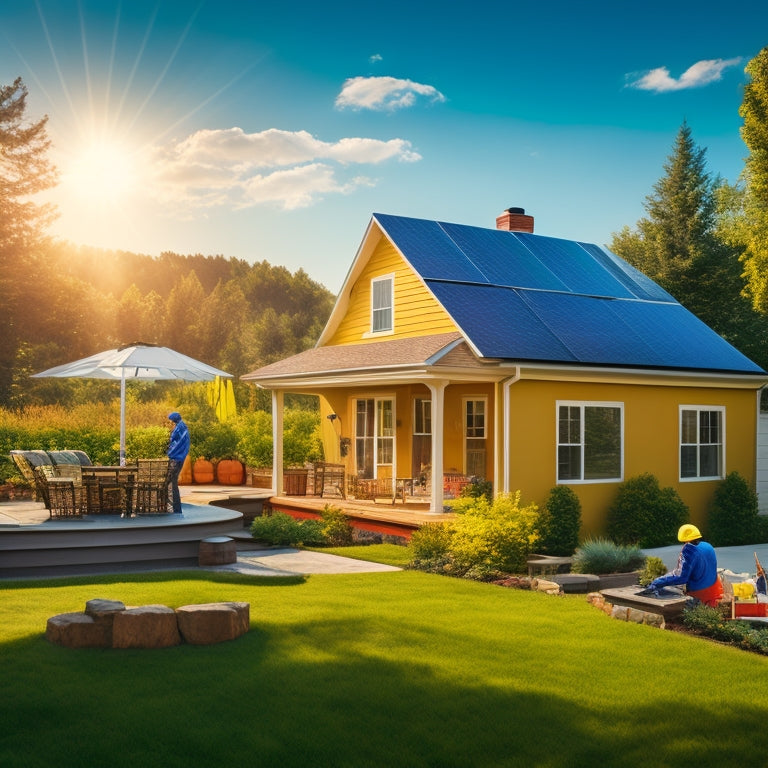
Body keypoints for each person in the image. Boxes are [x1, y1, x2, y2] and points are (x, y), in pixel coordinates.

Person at [648, 524, 724, 607]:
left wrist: (658, 581)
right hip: (715, 589)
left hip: (699, 593)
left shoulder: (689, 551)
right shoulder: (708, 546)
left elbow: (680, 577)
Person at [166, 411, 190, 514]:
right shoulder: (182, 427)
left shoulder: (179, 429)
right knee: (172, 483)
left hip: (176, 459)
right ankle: (175, 508)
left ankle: (176, 508)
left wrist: (169, 452)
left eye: (171, 421)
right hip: (179, 458)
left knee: (172, 483)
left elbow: (175, 442)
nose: (170, 423)